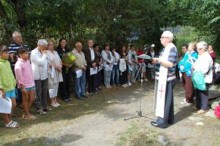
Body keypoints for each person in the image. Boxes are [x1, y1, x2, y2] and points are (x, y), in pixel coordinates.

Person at [151, 31, 178, 128]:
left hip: (167, 78)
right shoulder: (166, 48)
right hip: (163, 77)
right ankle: (169, 119)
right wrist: (157, 61)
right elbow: (163, 62)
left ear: (168, 38)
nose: (161, 39)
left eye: (162, 37)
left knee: (164, 100)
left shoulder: (172, 49)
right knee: (168, 99)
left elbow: (171, 64)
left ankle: (161, 122)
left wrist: (159, 60)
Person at [8, 31, 30, 104]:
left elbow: (29, 56)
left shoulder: (25, 45)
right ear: (14, 38)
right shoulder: (11, 46)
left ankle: (26, 99)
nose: (20, 38)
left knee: (26, 82)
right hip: (17, 68)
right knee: (19, 83)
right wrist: (23, 58)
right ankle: (20, 101)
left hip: (26, 68)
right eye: (18, 37)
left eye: (21, 36)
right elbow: (12, 57)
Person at [14, 48, 37, 119]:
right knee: (25, 99)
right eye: (25, 53)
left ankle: (26, 112)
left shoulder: (27, 61)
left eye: (27, 53)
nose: (27, 55)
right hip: (24, 85)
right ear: (20, 55)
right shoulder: (18, 64)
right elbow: (19, 77)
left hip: (31, 83)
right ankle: (27, 114)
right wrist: (22, 87)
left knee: (32, 98)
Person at [0, 45, 19, 128]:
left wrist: (14, 82)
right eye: (5, 53)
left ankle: (9, 120)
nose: (7, 54)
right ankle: (7, 121)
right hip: (4, 89)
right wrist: (1, 89)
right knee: (6, 106)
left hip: (11, 87)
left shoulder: (7, 62)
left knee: (13, 104)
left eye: (7, 52)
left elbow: (11, 74)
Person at [192, 41, 213, 114]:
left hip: (204, 78)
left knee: (203, 93)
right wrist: (194, 66)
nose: (198, 50)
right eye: (197, 49)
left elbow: (205, 69)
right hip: (199, 77)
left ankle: (204, 107)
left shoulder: (207, 57)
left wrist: (195, 68)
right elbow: (197, 64)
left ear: (203, 49)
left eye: (199, 49)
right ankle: (198, 105)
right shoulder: (201, 56)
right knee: (197, 92)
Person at [31, 39, 49, 115]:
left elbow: (46, 61)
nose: (45, 48)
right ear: (39, 45)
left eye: (46, 47)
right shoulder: (33, 52)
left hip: (44, 74)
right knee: (38, 92)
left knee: (45, 91)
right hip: (37, 75)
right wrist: (44, 54)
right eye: (44, 46)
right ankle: (39, 108)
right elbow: (40, 62)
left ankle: (44, 106)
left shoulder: (44, 51)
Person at [179, 42, 198, 106]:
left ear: (193, 47)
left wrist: (183, 67)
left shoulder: (195, 54)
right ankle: (187, 97)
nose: (188, 47)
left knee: (189, 86)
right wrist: (180, 66)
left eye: (189, 46)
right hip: (184, 72)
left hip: (188, 72)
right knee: (185, 85)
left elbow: (190, 63)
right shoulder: (187, 54)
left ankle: (189, 100)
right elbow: (182, 61)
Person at [47, 40, 63, 107]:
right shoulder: (46, 53)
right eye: (50, 44)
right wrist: (57, 67)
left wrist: (60, 67)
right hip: (52, 71)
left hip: (58, 71)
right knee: (52, 86)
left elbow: (60, 60)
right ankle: (52, 101)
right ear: (47, 46)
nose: (52, 45)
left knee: (57, 85)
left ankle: (55, 100)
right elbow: (49, 63)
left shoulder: (56, 52)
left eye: (52, 44)